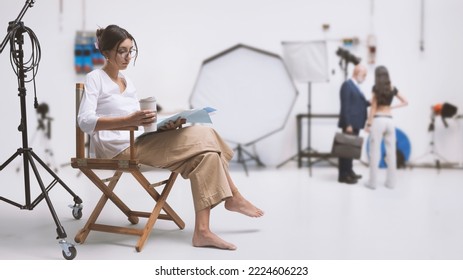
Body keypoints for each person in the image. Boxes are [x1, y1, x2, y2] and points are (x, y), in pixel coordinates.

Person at [77, 24, 264, 250]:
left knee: (207, 157)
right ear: (106, 53)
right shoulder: (95, 78)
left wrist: (162, 126)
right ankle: (233, 196)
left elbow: (138, 123)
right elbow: (85, 121)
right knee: (206, 133)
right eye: (122, 51)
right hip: (118, 149)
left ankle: (202, 233)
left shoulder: (127, 82)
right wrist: (129, 121)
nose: (128, 57)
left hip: (139, 141)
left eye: (130, 50)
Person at [364, 65, 408, 189]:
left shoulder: (376, 88)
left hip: (378, 120)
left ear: (377, 76)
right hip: (390, 121)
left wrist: (368, 124)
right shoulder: (392, 88)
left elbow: (373, 108)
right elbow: (405, 101)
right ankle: (391, 183)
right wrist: (391, 107)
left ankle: (372, 183)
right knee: (391, 153)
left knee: (374, 152)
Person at [337, 64, 369, 184]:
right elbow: (345, 106)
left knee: (350, 149)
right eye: (364, 75)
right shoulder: (347, 85)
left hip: (356, 123)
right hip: (350, 124)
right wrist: (348, 124)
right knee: (345, 149)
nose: (365, 78)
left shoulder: (355, 86)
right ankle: (343, 175)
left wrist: (368, 102)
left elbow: (357, 104)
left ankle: (349, 171)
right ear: (358, 73)